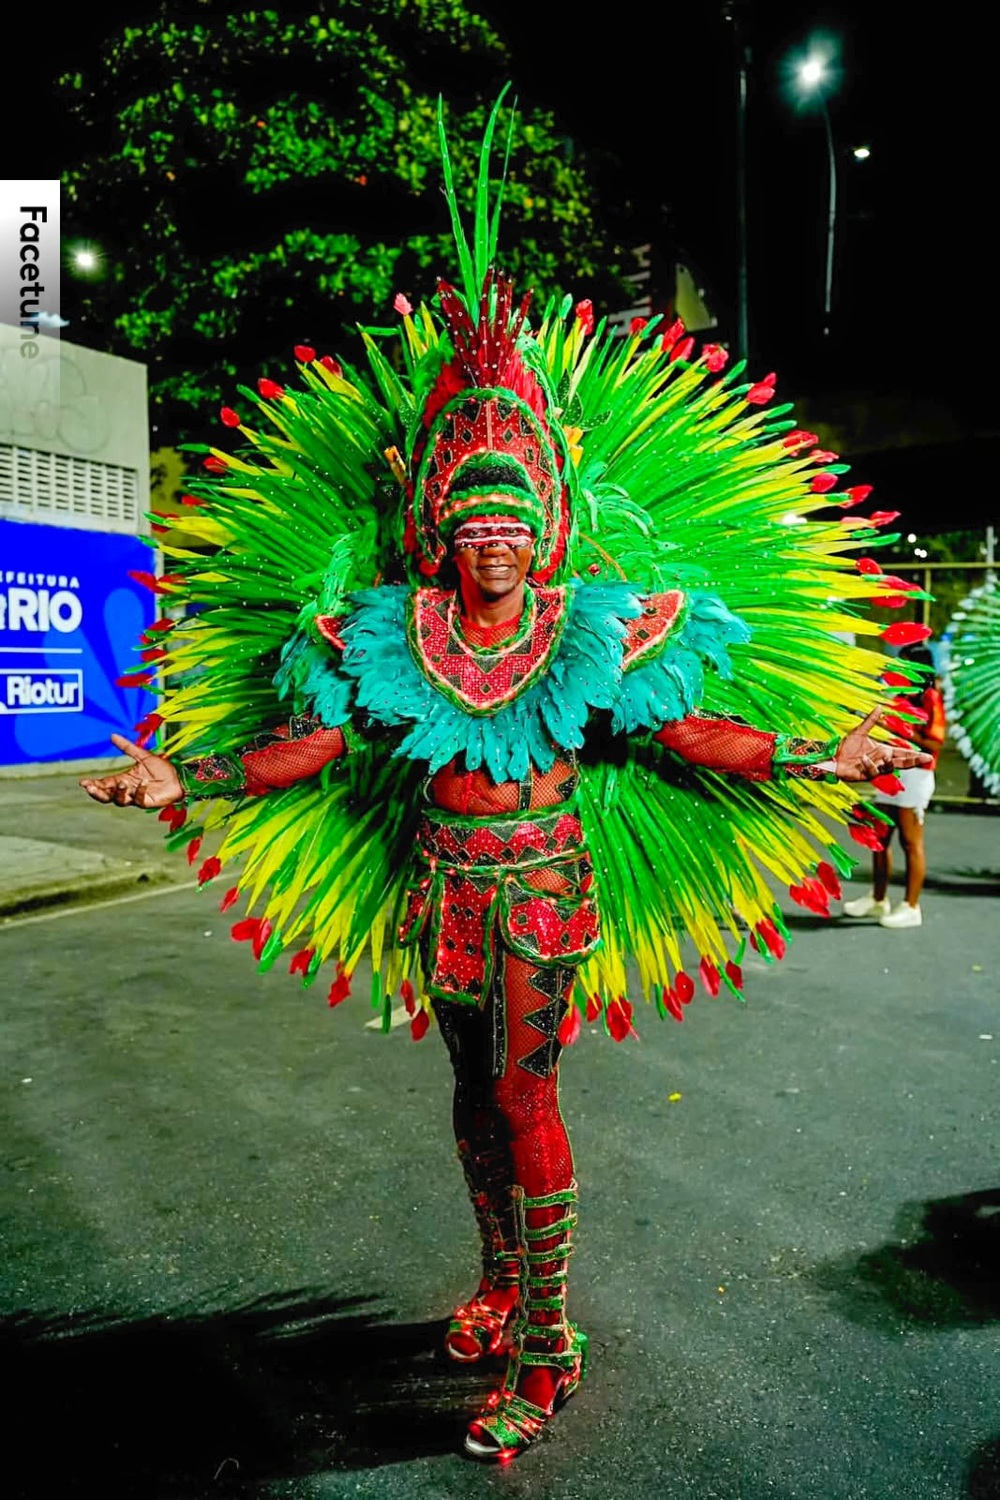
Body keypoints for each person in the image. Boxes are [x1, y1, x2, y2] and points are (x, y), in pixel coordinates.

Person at [80, 95, 930, 1462]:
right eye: (472, 525)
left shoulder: (587, 628)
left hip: (538, 894)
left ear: (545, 527)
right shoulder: (389, 634)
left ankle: (549, 1346)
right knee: (472, 1098)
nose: (493, 546)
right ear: (440, 532)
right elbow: (322, 743)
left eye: (513, 524)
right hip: (442, 893)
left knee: (525, 1099)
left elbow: (674, 734)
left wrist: (826, 753)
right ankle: (497, 1287)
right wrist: (192, 778)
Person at [843, 642, 946, 929]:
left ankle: (911, 907)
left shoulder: (930, 699)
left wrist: (905, 731)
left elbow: (935, 742)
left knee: (910, 842)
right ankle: (878, 900)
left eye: (903, 665)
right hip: (891, 772)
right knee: (880, 838)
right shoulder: (898, 695)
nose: (897, 670)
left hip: (917, 775)